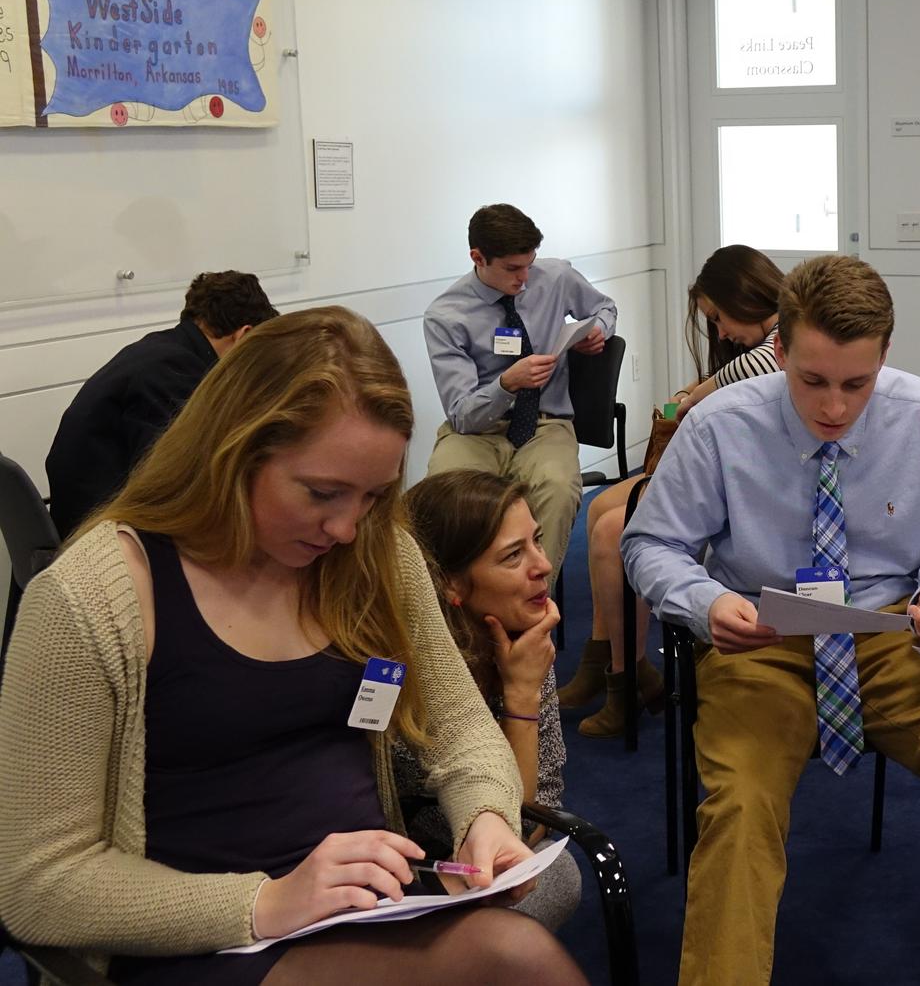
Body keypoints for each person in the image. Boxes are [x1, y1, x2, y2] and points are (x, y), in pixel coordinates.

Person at [0, 306, 582, 986]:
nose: (345, 527)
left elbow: (459, 726)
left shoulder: (376, 556)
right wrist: (266, 901)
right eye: (322, 493)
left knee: (515, 956)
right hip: (196, 936)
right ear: (232, 451)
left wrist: (484, 817)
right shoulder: (90, 599)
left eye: (371, 496)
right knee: (513, 961)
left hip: (362, 909)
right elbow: (38, 883)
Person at [622, 255, 920, 985]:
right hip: (763, 641)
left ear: (884, 358)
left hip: (890, 634)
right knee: (741, 800)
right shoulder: (719, 425)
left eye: (856, 383)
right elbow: (650, 543)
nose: (834, 406)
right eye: (812, 381)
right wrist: (706, 602)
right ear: (779, 351)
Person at [559, 244, 784, 738]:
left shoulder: (786, 338)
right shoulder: (763, 340)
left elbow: (742, 373)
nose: (720, 331)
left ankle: (623, 676)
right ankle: (617, 664)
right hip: (726, 472)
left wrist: (689, 397)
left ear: (745, 296)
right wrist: (690, 396)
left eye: (720, 317)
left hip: (748, 485)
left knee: (612, 530)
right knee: (600, 513)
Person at [398, 470, 583, 929]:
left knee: (557, 876)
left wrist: (522, 689)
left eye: (537, 542)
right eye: (513, 556)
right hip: (405, 869)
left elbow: (530, 820)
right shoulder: (409, 670)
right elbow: (419, 829)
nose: (542, 566)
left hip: (479, 866)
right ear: (450, 585)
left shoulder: (525, 640)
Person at [423, 203, 617, 579]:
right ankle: (465, 613)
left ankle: (532, 602)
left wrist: (598, 332)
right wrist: (506, 384)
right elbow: (462, 413)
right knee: (447, 494)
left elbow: (604, 308)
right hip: (477, 430)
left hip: (547, 423)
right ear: (477, 258)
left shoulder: (556, 276)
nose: (525, 278)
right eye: (513, 269)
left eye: (530, 264)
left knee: (557, 487)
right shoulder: (446, 316)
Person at [46, 270, 278, 537]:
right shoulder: (177, 372)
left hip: (89, 523)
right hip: (105, 541)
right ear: (243, 336)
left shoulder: (158, 350)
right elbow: (176, 482)